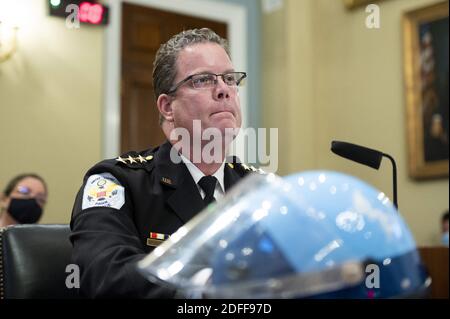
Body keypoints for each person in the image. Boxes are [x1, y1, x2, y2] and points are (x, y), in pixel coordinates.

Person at [70, 28, 257, 298]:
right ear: (167, 107)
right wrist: (207, 287)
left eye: (229, 78)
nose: (224, 90)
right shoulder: (117, 182)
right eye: (203, 80)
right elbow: (104, 276)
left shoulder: (257, 189)